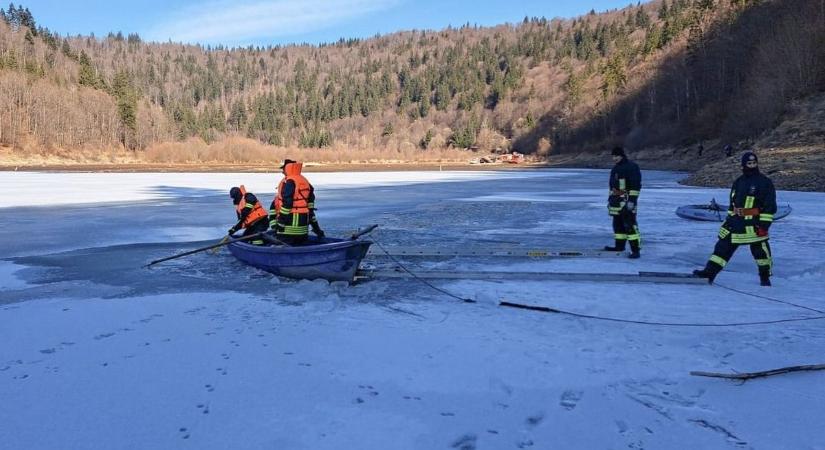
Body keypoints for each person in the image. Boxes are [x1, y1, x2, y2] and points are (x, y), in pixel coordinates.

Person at [693, 151, 777, 286]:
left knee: (761, 253)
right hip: (736, 223)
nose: (752, 166)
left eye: (754, 163)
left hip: (754, 226)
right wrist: (728, 222)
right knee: (721, 248)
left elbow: (769, 207)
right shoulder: (739, 181)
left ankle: (765, 278)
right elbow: (733, 205)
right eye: (749, 163)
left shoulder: (765, 182)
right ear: (743, 165)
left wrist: (763, 226)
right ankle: (709, 274)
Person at [269, 159, 324, 245]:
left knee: (282, 249)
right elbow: (310, 207)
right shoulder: (304, 181)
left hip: (288, 228)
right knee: (301, 247)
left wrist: (280, 223)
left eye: (283, 169)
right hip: (303, 228)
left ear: (287, 168)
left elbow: (287, 204)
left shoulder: (289, 182)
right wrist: (317, 229)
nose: (282, 172)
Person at [604, 146, 642, 258]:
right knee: (618, 225)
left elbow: (635, 186)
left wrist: (632, 201)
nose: (614, 158)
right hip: (616, 202)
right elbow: (613, 187)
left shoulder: (632, 167)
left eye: (616, 156)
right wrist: (611, 200)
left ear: (622, 155)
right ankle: (619, 246)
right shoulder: (616, 168)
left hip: (626, 202)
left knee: (630, 226)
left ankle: (636, 250)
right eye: (613, 156)